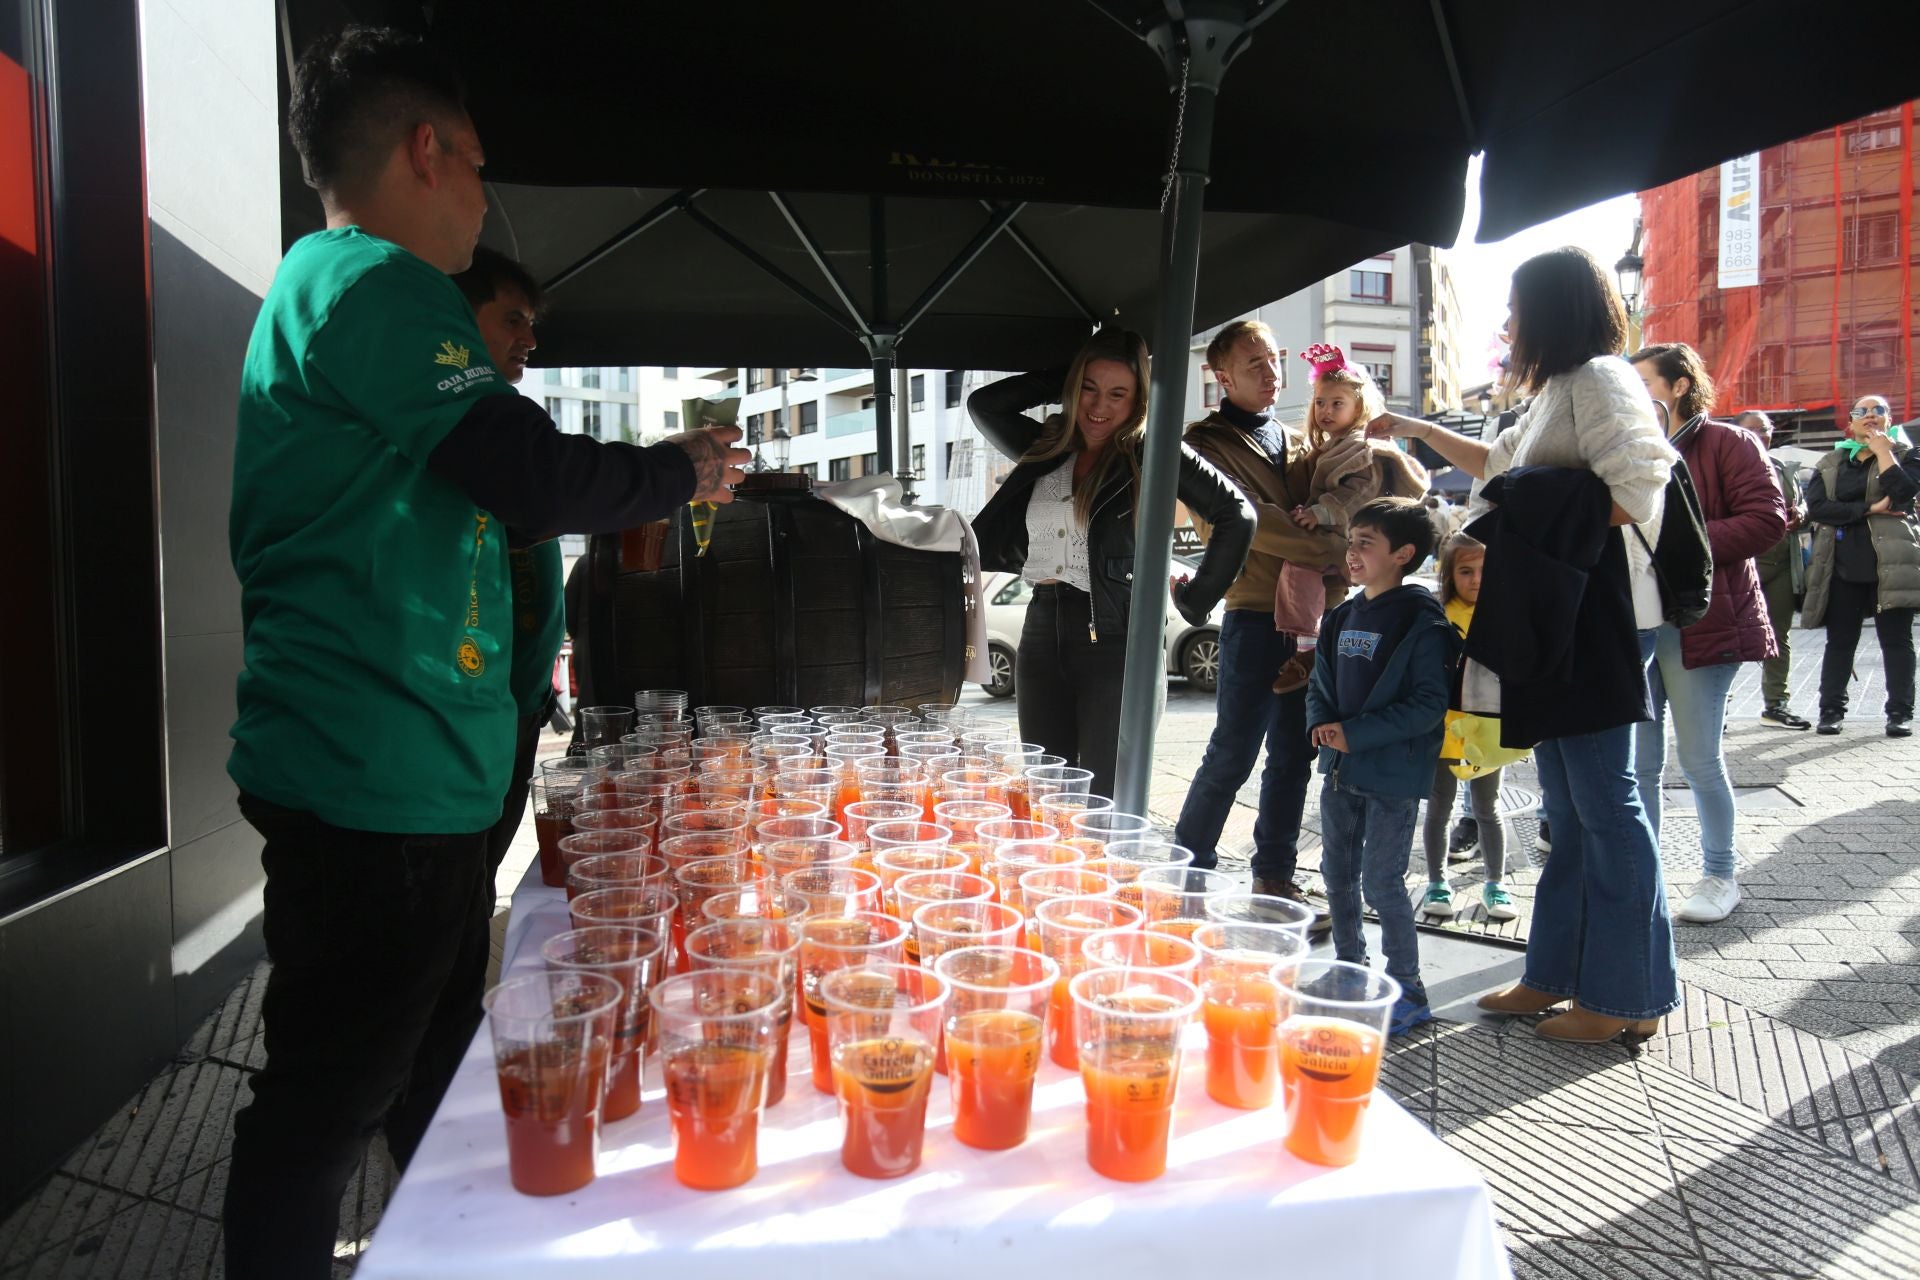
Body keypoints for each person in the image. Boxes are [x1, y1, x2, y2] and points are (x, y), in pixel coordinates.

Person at [224, 28, 749, 1279]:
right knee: (326, 1098)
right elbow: (517, 466)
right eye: (476, 171)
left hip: (400, 765)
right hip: (372, 768)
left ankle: (450, 1251)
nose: (481, 201)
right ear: (427, 151)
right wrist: (675, 472)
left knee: (418, 1070)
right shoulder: (372, 283)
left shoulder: (328, 291)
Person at [1375, 246, 1679, 1045]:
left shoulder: (1606, 380)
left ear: (1552, 308)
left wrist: (1537, 516)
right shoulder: (1557, 391)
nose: (1506, 325)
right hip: (1559, 622)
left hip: (1599, 619)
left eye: (1515, 308)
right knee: (1569, 808)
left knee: (1606, 805)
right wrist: (1411, 429)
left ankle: (1629, 996)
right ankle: (1558, 974)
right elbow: (1498, 471)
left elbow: (1639, 491)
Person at [967, 328, 1253, 799]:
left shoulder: (1152, 453)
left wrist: (1199, 599)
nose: (1099, 407)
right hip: (1039, 629)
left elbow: (1237, 514)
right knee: (1046, 792)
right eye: (1089, 389)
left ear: (1138, 399)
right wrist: (1072, 372)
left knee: (1104, 799)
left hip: (1115, 639)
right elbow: (986, 405)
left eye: (1118, 394)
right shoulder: (1047, 447)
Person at [1174, 319, 1348, 907]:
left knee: (1294, 756)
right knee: (1233, 750)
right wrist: (1328, 548)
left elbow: (1338, 510)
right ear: (1220, 375)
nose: (1273, 372)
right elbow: (1242, 523)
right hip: (1251, 612)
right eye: (1256, 363)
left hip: (1310, 618)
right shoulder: (1201, 443)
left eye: (1276, 359)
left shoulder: (1303, 441)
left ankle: (1274, 875)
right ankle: (1188, 870)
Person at [1628, 345, 1786, 925]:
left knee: (1699, 759)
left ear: (1678, 386)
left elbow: (1769, 518)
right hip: (1638, 622)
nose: (1634, 392)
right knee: (1636, 765)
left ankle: (1720, 874)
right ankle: (1641, 876)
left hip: (1704, 619)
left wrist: (1681, 546)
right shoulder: (1626, 446)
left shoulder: (1730, 442)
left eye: (1644, 381)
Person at [1305, 498, 1452, 1035]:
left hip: (1392, 775)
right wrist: (1323, 727)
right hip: (1341, 770)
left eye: (1366, 542)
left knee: (1382, 881)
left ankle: (1408, 989)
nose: (1353, 552)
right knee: (1336, 874)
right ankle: (1348, 970)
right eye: (1351, 541)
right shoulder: (1342, 613)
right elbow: (1320, 684)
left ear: (1404, 554)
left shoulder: (1421, 620)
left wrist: (1355, 733)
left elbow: (1427, 706)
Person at [453, 247, 562, 885]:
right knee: (464, 879)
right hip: (480, 709)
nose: (530, 337)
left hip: (518, 706)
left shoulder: (496, 420)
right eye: (512, 320)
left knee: (477, 878)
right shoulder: (465, 422)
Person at [1269, 343, 1428, 694]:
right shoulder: (1331, 445)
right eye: (1320, 402)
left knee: (1300, 562)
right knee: (1320, 590)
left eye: (1337, 403)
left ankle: (1307, 648)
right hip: (1342, 533)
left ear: (1359, 407)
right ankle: (1316, 646)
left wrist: (1321, 511)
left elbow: (1359, 491)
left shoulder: (1360, 445)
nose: (1326, 410)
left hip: (1345, 531)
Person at [1802, 394, 1920, 737]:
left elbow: (1902, 494)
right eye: (1862, 411)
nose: (1870, 416)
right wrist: (1869, 509)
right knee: (1840, 643)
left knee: (1896, 643)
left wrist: (1884, 452)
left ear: (1889, 419)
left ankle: (1900, 713)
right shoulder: (1831, 462)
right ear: (1850, 423)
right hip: (1842, 567)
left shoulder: (1907, 455)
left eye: (1879, 410)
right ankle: (1831, 712)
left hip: (1892, 567)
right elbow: (1819, 508)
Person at [1419, 532, 1517, 921]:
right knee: (1438, 808)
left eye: (1483, 570)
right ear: (1448, 574)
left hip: (1489, 731)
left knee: (1487, 809)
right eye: (1465, 571)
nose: (1476, 579)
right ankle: (1436, 881)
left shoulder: (1505, 613)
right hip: (1443, 730)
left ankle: (1496, 883)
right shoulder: (1436, 615)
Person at [1735, 411, 1812, 729]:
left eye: (1764, 429)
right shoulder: (1728, 466)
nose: (1758, 434)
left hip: (1780, 564)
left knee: (1779, 637)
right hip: (1741, 564)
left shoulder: (1781, 467)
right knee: (1733, 638)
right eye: (1751, 429)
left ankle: (1776, 705)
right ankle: (1721, 706)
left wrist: (1801, 515)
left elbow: (1804, 505)